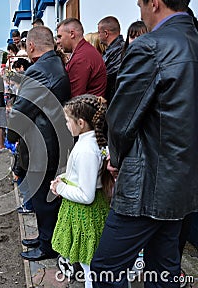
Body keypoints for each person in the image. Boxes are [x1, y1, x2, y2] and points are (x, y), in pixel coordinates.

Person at [90, 1, 198, 287]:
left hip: (149, 181)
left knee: (105, 269)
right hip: (183, 180)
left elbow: (122, 118)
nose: (140, 12)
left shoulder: (151, 46)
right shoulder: (191, 39)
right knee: (163, 267)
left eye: (140, 4)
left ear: (154, 3)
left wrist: (115, 158)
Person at [7, 25, 71, 261]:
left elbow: (23, 109)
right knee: (43, 196)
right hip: (50, 140)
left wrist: (10, 134)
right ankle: (44, 238)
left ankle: (48, 245)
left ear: (31, 46)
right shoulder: (53, 64)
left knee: (44, 199)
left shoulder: (40, 70)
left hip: (42, 143)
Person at [50, 95, 113, 288]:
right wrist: (66, 178)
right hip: (91, 210)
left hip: (85, 215)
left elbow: (86, 195)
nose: (66, 124)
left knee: (90, 268)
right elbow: (87, 177)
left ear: (81, 122)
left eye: (68, 120)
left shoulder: (86, 149)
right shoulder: (91, 142)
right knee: (91, 265)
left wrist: (60, 188)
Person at [56, 18, 107, 98]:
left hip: (85, 108)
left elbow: (75, 96)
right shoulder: (84, 52)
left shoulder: (81, 57)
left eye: (60, 36)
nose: (57, 41)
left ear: (72, 34)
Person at [97, 16, 125, 104]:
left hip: (115, 100)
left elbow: (107, 75)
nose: (98, 35)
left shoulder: (120, 50)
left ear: (106, 33)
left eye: (99, 32)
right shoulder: (112, 50)